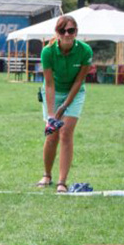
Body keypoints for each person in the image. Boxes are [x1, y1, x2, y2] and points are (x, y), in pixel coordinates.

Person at [36, 15, 93, 193]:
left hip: (74, 93)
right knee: (52, 135)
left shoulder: (85, 51)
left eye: (71, 30)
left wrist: (64, 107)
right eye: (63, 31)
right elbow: (49, 84)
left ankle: (62, 182)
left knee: (66, 133)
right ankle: (47, 175)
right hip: (53, 91)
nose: (67, 34)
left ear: (76, 32)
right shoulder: (48, 51)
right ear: (57, 33)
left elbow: (78, 82)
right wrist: (52, 115)